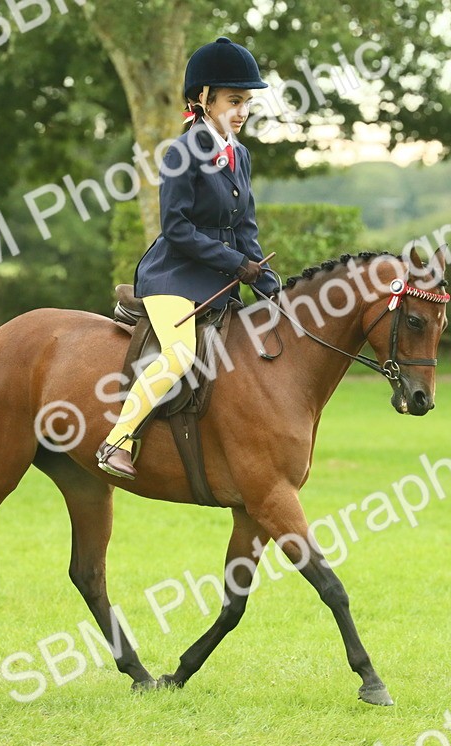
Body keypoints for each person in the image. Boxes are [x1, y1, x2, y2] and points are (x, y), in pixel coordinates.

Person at [95, 36, 280, 480]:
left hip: (218, 281)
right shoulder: (181, 152)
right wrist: (236, 264)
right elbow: (176, 230)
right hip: (173, 277)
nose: (242, 111)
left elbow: (244, 227)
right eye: (234, 100)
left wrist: (269, 283)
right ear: (202, 99)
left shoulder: (240, 155)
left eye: (246, 102)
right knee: (179, 355)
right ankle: (116, 441)